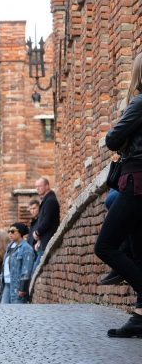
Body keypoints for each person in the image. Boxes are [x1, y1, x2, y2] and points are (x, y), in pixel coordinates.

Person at [95, 52, 142, 337]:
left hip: (136, 181)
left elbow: (111, 139)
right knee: (138, 251)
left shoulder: (139, 103)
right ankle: (139, 317)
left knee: (105, 245)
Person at [0, 222, 36, 304]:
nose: (10, 234)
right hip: (7, 284)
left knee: (17, 314)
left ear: (20, 233)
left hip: (17, 287)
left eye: (12, 231)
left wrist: (22, 288)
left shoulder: (26, 248)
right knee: (3, 311)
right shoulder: (10, 247)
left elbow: (26, 270)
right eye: (8, 231)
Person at [30, 177, 60, 269]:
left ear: (47, 186)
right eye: (36, 187)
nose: (37, 189)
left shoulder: (50, 200)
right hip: (43, 242)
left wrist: (37, 232)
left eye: (39, 186)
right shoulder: (46, 200)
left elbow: (47, 222)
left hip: (48, 241)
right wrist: (39, 240)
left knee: (36, 270)